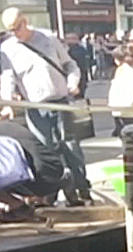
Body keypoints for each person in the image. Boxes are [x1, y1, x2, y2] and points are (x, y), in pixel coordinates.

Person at [0, 8, 92, 206]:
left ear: (25, 21)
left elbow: (70, 64)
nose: (15, 33)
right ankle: (51, 192)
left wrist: (73, 82)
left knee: (70, 147)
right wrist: (8, 103)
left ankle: (81, 189)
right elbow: (7, 78)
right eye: (10, 30)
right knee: (45, 150)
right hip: (34, 106)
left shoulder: (48, 38)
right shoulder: (8, 49)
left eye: (17, 28)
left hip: (60, 102)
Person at [0, 120, 64, 222]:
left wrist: (13, 203)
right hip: (54, 169)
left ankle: (19, 206)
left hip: (41, 179)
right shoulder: (6, 126)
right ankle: (37, 200)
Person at [64, 33, 89, 98]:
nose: (66, 40)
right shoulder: (82, 49)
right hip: (80, 74)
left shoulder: (72, 50)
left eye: (68, 39)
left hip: (76, 73)